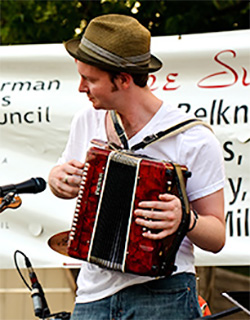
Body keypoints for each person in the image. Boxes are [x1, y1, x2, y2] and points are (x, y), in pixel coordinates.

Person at [48, 14, 225, 320]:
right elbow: (65, 182)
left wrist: (185, 219)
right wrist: (57, 179)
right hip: (93, 295)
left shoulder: (192, 139)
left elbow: (217, 236)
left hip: (164, 294)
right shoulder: (86, 121)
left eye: (90, 79)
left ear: (124, 79)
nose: (80, 88)